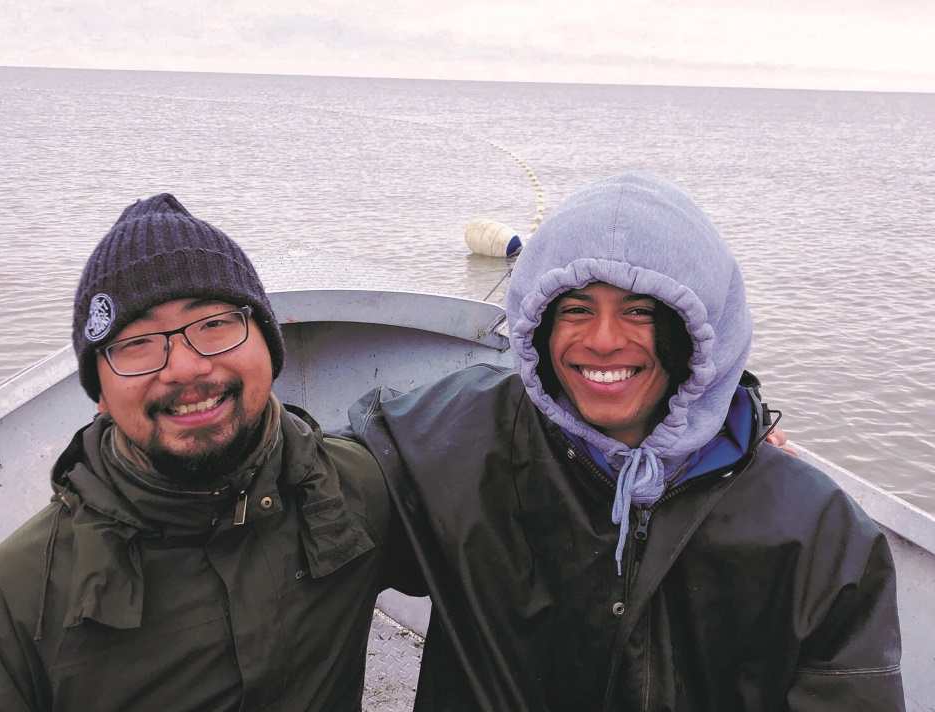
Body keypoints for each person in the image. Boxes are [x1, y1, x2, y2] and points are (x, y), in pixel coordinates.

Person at [350, 172, 905, 710]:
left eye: (640, 311)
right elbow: (307, 496)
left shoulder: (817, 533)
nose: (604, 341)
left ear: (700, 330)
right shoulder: (455, 440)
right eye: (575, 309)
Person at [0, 194, 393, 711]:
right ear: (100, 394)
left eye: (215, 324)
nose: (186, 368)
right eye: (138, 342)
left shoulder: (361, 488)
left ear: (269, 343)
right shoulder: (20, 595)